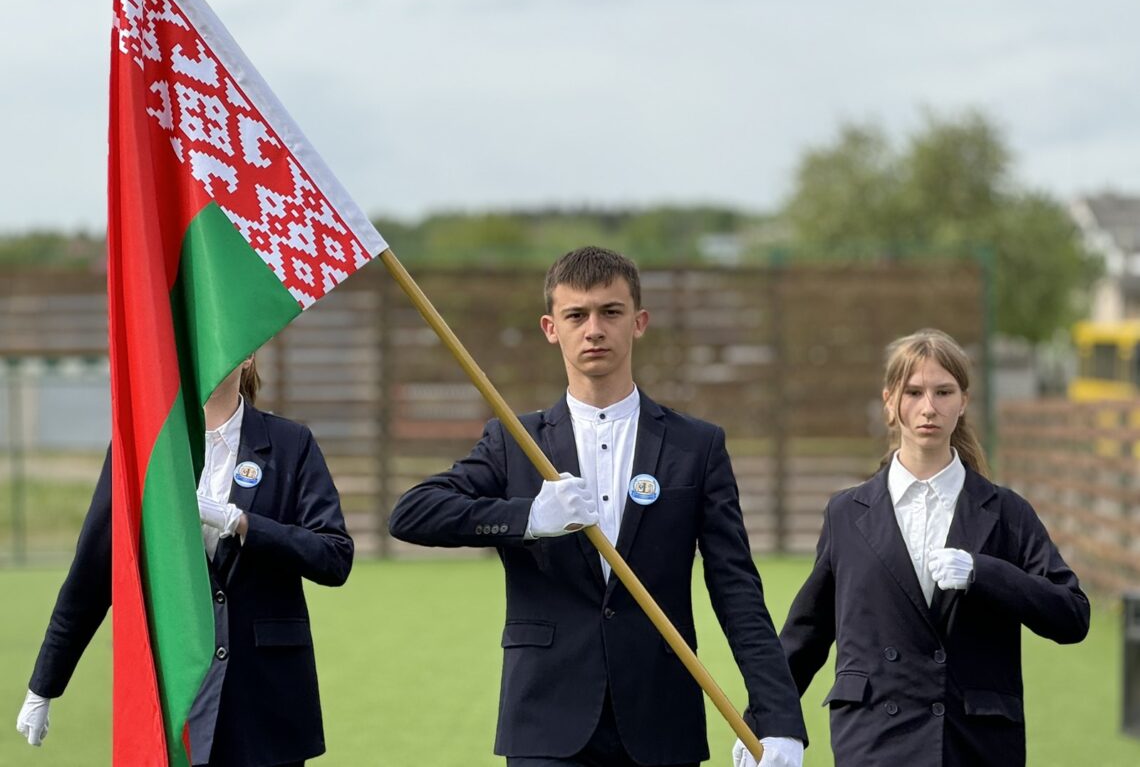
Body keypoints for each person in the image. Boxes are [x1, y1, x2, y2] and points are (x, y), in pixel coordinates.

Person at [388, 246, 807, 767]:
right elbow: (412, 513)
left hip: (661, 719)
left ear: (639, 322)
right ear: (550, 327)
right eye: (576, 315)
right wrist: (530, 519)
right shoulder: (515, 441)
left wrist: (780, 719)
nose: (594, 329)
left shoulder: (695, 446)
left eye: (611, 312)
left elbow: (737, 589)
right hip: (546, 722)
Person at [15, 355, 353, 767]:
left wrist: (242, 523)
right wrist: (44, 685)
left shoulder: (290, 443)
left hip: (265, 703)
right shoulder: (144, 447)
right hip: (174, 693)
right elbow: (91, 574)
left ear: (247, 358)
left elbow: (334, 557)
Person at [779, 328, 1090, 767]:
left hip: (974, 744)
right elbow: (806, 634)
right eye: (914, 392)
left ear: (963, 402)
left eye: (944, 392)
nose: (929, 407)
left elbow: (1072, 615)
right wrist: (768, 720)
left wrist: (984, 573)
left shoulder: (1006, 512)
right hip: (874, 741)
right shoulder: (847, 513)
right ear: (890, 401)